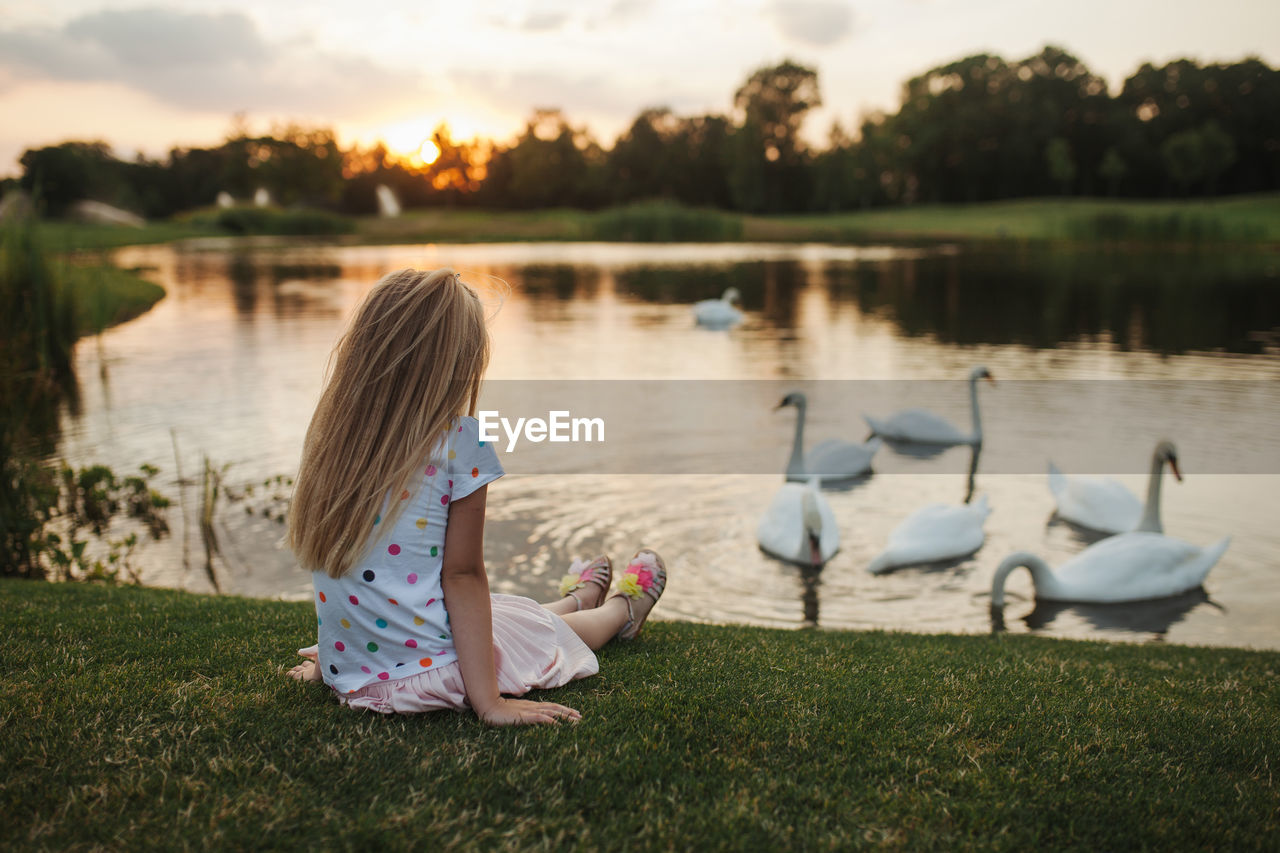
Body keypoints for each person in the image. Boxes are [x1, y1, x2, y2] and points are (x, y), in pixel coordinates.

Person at [283, 268, 665, 726]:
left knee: (507, 615)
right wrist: (490, 703)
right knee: (537, 635)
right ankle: (620, 612)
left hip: (358, 668)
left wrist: (334, 666)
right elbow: (462, 577)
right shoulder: (458, 443)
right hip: (425, 675)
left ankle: (578, 597)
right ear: (455, 366)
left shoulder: (333, 439)